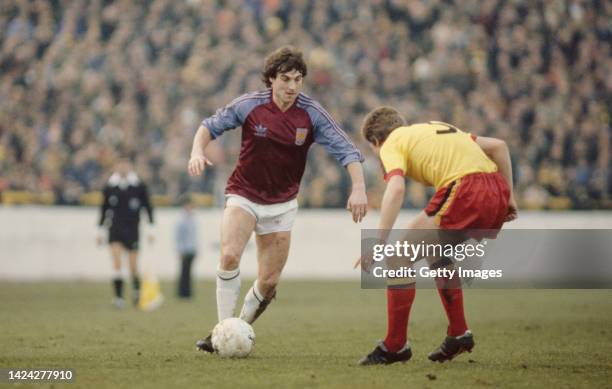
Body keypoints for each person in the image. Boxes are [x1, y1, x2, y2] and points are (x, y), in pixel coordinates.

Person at [188, 46, 368, 352]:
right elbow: (209, 125)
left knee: (269, 282)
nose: (292, 86)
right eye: (285, 79)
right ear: (271, 79)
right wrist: (196, 151)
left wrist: (359, 187)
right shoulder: (249, 105)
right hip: (243, 193)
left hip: (282, 204)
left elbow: (347, 149)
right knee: (230, 255)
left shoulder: (311, 113)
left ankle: (238, 328)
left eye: (298, 79)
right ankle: (221, 333)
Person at [356, 107, 518, 365]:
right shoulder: (434, 127)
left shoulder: (391, 143)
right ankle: (458, 333)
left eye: (374, 149)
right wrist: (509, 196)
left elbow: (396, 189)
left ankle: (395, 346)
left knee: (398, 258)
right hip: (493, 188)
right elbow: (499, 146)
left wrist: (378, 242)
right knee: (434, 251)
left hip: (466, 189)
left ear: (376, 141)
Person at [97, 158, 154, 309]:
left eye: (125, 164)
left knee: (133, 266)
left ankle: (136, 293)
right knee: (116, 264)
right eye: (120, 164)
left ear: (130, 166)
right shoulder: (110, 187)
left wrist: (151, 229)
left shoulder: (139, 186)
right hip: (115, 229)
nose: (122, 167)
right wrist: (99, 231)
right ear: (116, 166)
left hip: (132, 229)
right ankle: (118, 298)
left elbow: (148, 208)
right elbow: (104, 210)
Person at [175, 195, 198, 298]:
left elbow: (194, 235)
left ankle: (187, 293)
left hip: (191, 249)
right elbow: (179, 236)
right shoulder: (181, 219)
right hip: (184, 250)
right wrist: (179, 250)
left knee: (188, 272)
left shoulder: (192, 217)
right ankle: (182, 293)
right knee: (183, 272)